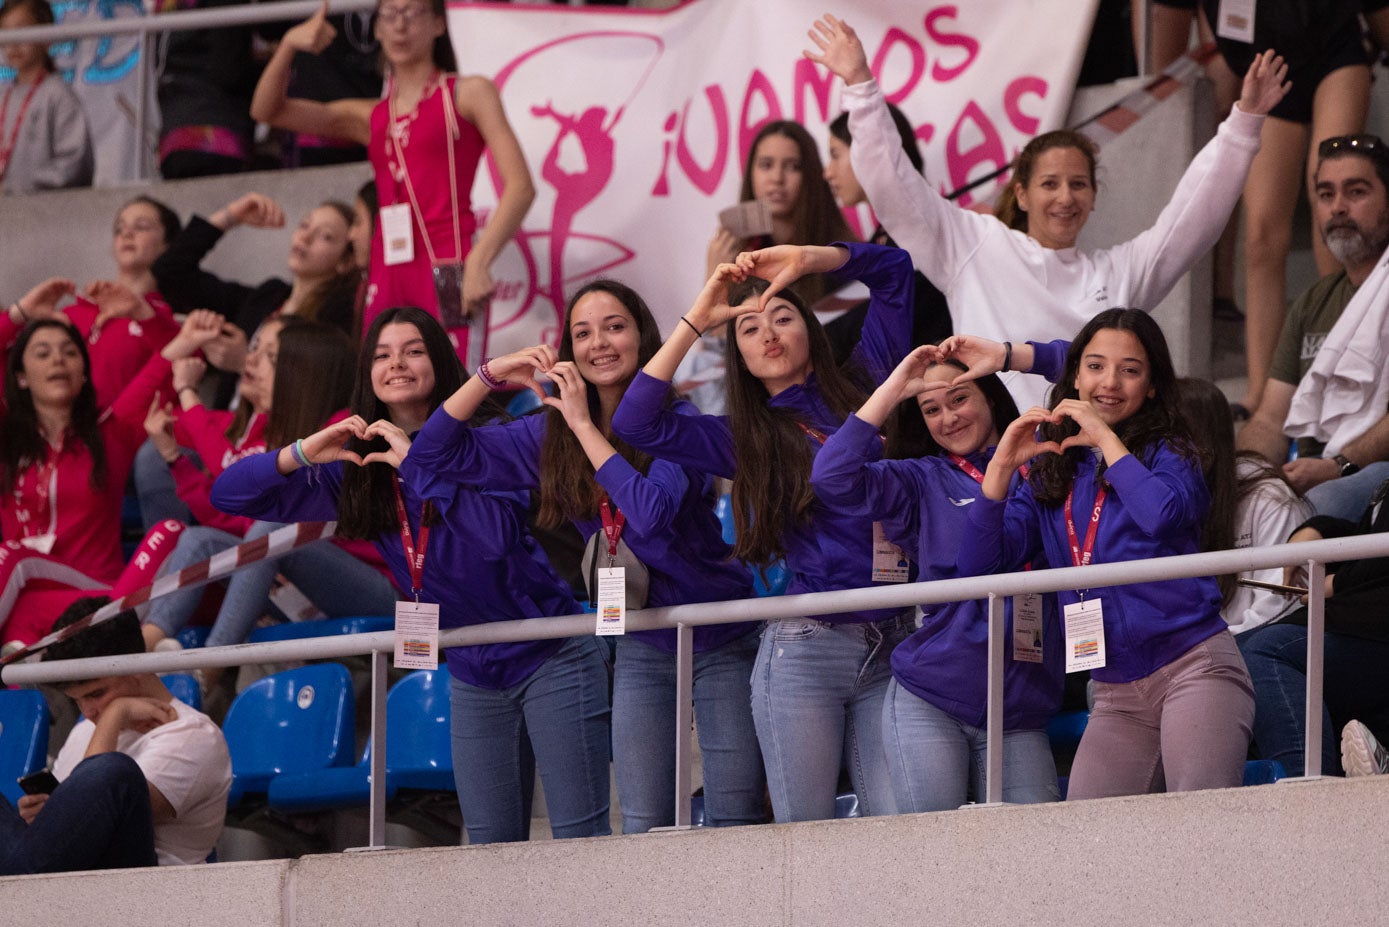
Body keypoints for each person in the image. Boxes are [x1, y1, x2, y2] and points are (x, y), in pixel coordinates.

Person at [211, 307, 611, 845]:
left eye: (413, 350)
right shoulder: (360, 467)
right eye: (381, 354)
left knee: (580, 843)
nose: (396, 363)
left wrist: (419, 469)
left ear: (440, 362)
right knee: (491, 850)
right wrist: (303, 451)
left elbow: (493, 539)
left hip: (549, 654)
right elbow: (230, 495)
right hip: (472, 669)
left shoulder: (488, 436)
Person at [400, 281, 762, 834]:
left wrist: (584, 426)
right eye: (583, 332)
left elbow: (649, 514)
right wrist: (490, 375)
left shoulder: (678, 423)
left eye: (615, 327)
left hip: (721, 635)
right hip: (643, 640)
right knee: (643, 824)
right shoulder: (552, 432)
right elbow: (430, 453)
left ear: (643, 337)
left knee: (735, 818)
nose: (599, 343)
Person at [803, 14, 1289, 409]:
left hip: (1083, 467)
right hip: (995, 465)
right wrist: (862, 89)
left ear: (1094, 197)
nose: (1065, 198)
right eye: (1050, 184)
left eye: (1079, 184)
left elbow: (1192, 222)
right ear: (1021, 194)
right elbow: (895, 188)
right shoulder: (975, 244)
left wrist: (1243, 124)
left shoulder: (1117, 274)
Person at [613, 242, 914, 823]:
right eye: (748, 329)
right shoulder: (739, 438)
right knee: (803, 838)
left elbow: (896, 272)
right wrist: (698, 318)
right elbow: (634, 421)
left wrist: (808, 258)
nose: (768, 333)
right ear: (739, 356)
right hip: (806, 650)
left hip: (893, 636)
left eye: (782, 315)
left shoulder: (866, 384)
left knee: (897, 825)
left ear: (811, 328)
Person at [957, 309, 1255, 798]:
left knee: (1202, 830)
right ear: (1075, 375)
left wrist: (1105, 439)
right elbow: (978, 566)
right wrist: (1000, 472)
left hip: (1194, 667)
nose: (1109, 382)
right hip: (1115, 691)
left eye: (1130, 370)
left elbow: (1161, 515)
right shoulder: (1054, 467)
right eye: (1095, 366)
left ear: (1153, 385)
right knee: (1088, 847)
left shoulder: (1172, 450)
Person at [810, 341, 1064, 811]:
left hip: (1019, 710)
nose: (948, 418)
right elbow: (830, 477)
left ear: (990, 395)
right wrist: (892, 390)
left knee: (1036, 857)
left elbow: (1098, 370)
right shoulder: (919, 477)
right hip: (931, 699)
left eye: (960, 398)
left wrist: (1011, 355)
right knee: (930, 857)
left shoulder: (1044, 462)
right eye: (931, 409)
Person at [250, 0, 535, 358]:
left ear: (438, 24)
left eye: (413, 13)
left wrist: (479, 261)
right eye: (389, 15)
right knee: (382, 384)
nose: (400, 26)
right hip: (385, 268)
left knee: (454, 390)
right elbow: (266, 110)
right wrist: (290, 44)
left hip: (448, 260)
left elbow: (521, 187)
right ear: (377, 29)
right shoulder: (371, 114)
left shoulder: (467, 92)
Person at [139, 317, 397, 666]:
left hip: (381, 586)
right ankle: (140, 652)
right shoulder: (273, 427)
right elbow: (233, 516)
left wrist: (187, 393)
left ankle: (207, 669)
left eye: (270, 357)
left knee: (272, 532)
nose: (251, 362)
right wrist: (176, 462)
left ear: (304, 371)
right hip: (296, 576)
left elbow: (242, 488)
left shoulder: (343, 425)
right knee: (199, 541)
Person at [1197, 0, 1374, 415]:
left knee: (1331, 204)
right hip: (1267, 62)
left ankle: (1346, 366)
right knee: (1260, 235)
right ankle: (1262, 391)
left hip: (1334, 53)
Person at [0, 292, 185, 647]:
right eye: (43, 353)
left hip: (99, 591)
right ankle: (105, 648)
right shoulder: (7, 439)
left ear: (84, 373)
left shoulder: (110, 433)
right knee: (20, 585)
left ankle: (109, 625)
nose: (58, 359)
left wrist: (145, 314)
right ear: (20, 377)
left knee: (173, 531)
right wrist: (18, 314)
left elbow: (168, 361)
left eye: (70, 352)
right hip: (29, 599)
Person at [0, 597, 231, 875]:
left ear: (135, 668)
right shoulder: (86, 729)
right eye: (77, 701)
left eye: (97, 694)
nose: (88, 712)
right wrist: (41, 817)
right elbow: (70, 831)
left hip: (139, 889)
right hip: (63, 880)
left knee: (114, 772)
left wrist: (115, 714)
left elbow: (100, 821)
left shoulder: (195, 736)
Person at [1236, 134, 1389, 522]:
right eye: (1325, 194)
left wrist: (1339, 466)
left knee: (1322, 507)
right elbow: (1271, 417)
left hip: (1369, 474)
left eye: (1356, 192)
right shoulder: (1313, 301)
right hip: (1311, 474)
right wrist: (1247, 473)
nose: (1338, 207)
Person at [684, 120, 857, 414]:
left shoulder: (835, 255)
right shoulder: (737, 257)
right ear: (751, 174)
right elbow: (714, 380)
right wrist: (714, 286)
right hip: (754, 421)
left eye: (792, 166)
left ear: (813, 175)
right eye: (766, 165)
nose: (777, 178)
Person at [151, 192, 360, 407]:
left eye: (325, 236)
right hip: (229, 427)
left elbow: (316, 392)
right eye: (304, 225)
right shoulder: (268, 295)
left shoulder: (340, 315)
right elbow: (169, 272)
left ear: (346, 260)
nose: (305, 237)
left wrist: (243, 362)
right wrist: (231, 216)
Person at [1239, 477, 1389, 777]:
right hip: (1364, 615)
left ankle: (1306, 796)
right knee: (1225, 655)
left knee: (1266, 653)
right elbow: (1373, 534)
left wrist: (1338, 582)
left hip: (1374, 620)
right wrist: (1319, 530)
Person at [1179, 377, 1310, 636]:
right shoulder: (1145, 501)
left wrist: (1212, 650)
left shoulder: (1267, 497)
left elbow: (1282, 601)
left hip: (1245, 646)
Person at [821, 106, 952, 362]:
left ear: (868, 152)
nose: (828, 172)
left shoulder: (920, 231)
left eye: (836, 155)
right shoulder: (885, 236)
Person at [0, 0, 93, 195]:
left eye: (22, 31)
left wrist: (21, 190)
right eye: (6, 32)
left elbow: (73, 164)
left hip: (44, 210)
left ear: (46, 36)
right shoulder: (3, 95)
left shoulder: (58, 94)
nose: (13, 43)